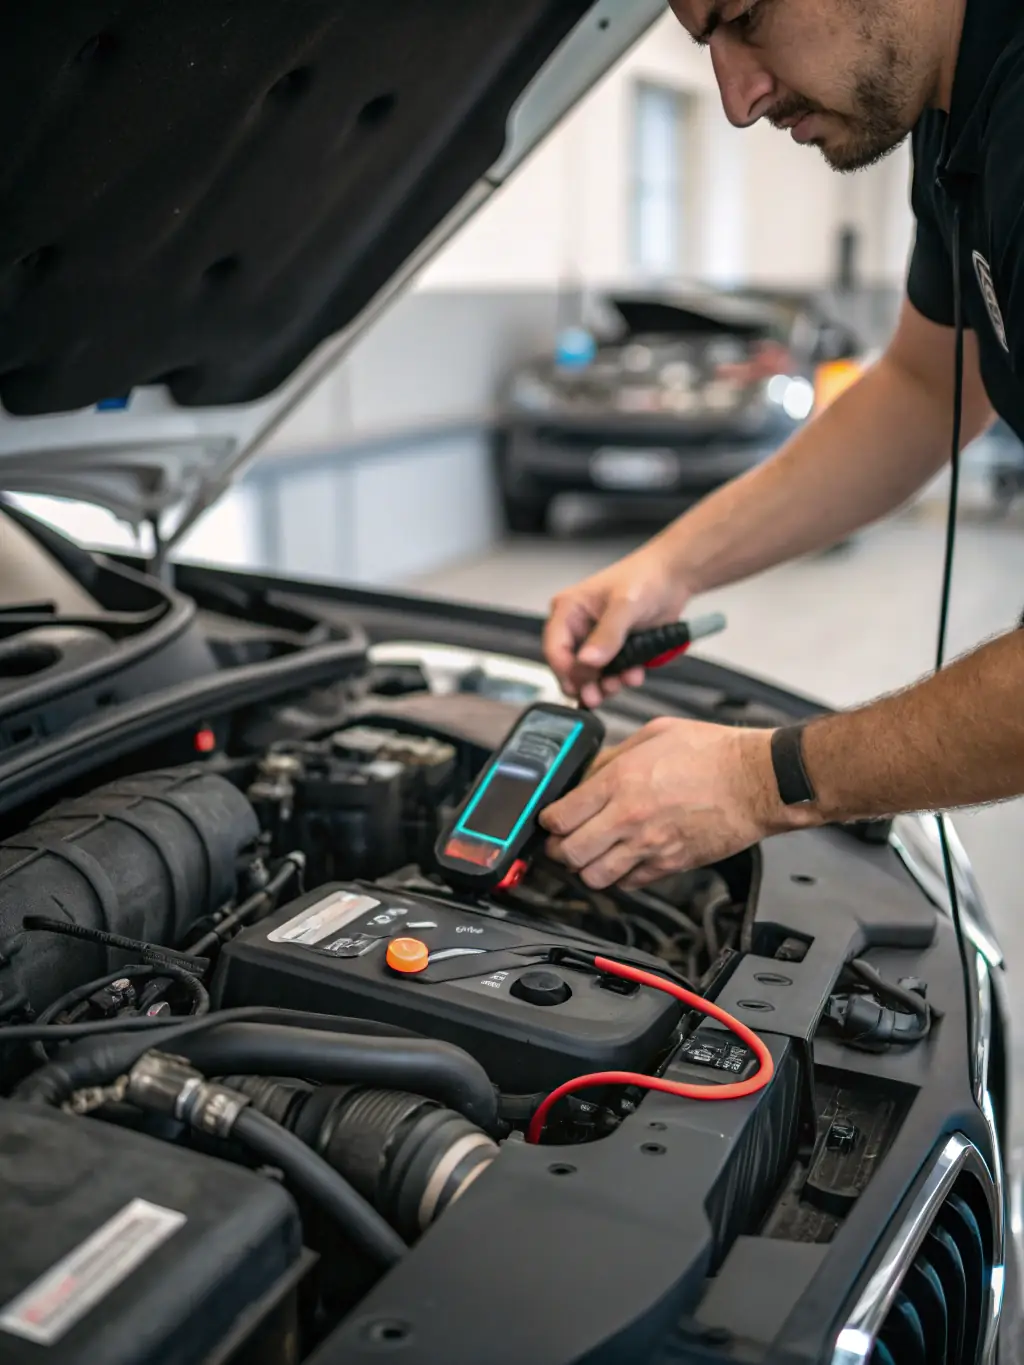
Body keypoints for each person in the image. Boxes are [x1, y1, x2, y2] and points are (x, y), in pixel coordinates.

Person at [538, 0, 1024, 892]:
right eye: (706, 45)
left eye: (748, 18)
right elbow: (924, 387)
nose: (735, 97)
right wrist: (669, 568)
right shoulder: (956, 118)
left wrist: (756, 782)